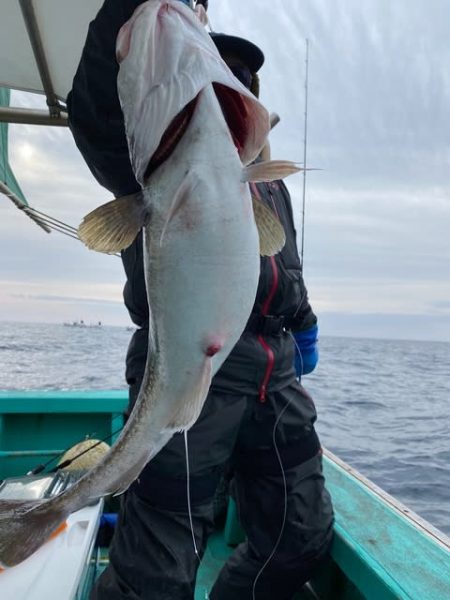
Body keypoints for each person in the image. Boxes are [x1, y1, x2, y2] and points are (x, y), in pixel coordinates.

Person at [67, 1, 334, 598]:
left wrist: (305, 321)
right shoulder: (149, 168)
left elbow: (283, 269)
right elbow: (99, 116)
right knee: (155, 570)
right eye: (222, 74)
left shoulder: (269, 187)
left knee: (302, 535)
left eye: (242, 83)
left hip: (276, 378)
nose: (225, 91)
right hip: (187, 369)